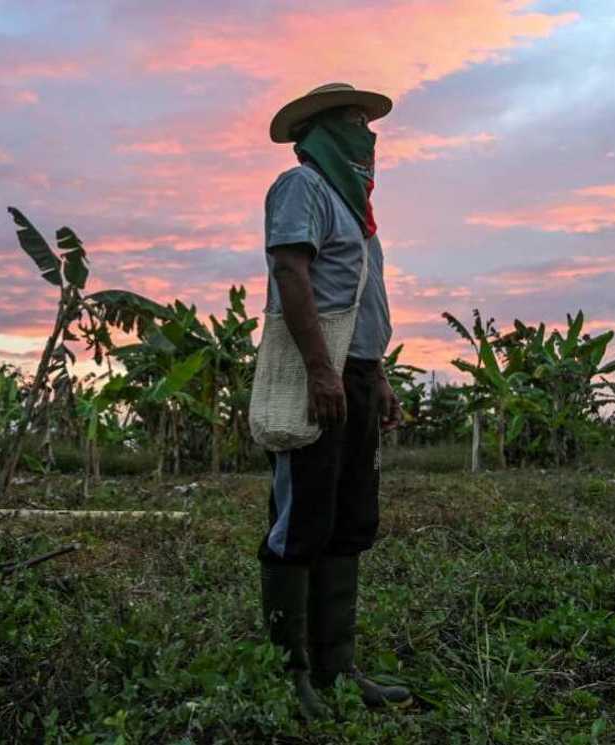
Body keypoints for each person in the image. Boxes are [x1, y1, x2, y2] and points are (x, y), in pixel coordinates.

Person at [255, 82, 412, 720]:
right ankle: (290, 674)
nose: (367, 136)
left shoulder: (357, 211)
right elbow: (292, 273)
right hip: (313, 371)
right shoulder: (304, 189)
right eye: (355, 122)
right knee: (302, 522)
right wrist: (321, 370)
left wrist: (373, 376)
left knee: (350, 518)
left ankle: (337, 667)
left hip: (354, 374)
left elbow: (361, 299)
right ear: (322, 131)